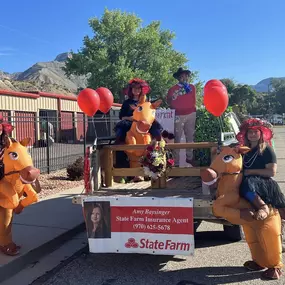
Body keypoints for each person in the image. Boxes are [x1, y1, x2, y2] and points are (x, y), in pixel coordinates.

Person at [114, 78, 163, 143]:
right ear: (131, 90)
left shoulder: (146, 103)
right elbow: (121, 117)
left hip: (144, 122)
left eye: (138, 88)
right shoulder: (126, 102)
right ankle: (119, 145)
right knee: (121, 128)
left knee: (155, 125)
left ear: (141, 90)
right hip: (130, 123)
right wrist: (131, 118)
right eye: (134, 88)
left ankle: (157, 143)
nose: (136, 90)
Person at [167, 67, 196, 166]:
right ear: (178, 78)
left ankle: (190, 158)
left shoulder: (192, 87)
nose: (184, 77)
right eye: (182, 76)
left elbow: (194, 100)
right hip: (178, 115)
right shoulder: (172, 89)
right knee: (177, 138)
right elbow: (169, 102)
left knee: (190, 136)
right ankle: (176, 161)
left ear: (188, 77)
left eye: (185, 76)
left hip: (191, 113)